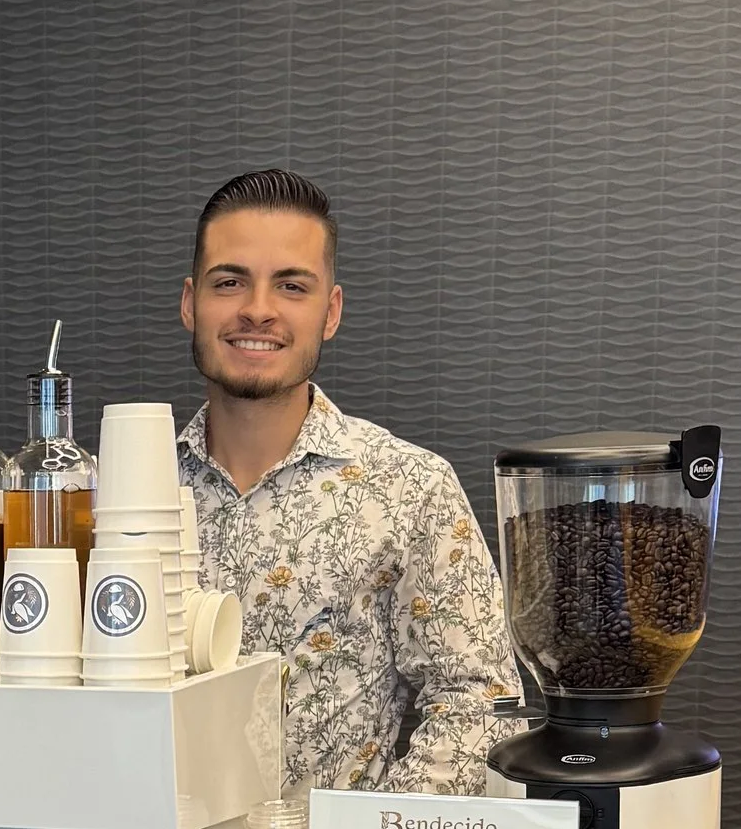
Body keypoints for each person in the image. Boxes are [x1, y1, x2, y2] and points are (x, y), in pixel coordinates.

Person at [178, 166, 514, 794]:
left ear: (330, 311)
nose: (258, 310)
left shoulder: (411, 489)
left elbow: (479, 701)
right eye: (231, 282)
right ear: (191, 302)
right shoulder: (116, 503)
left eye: (291, 286)